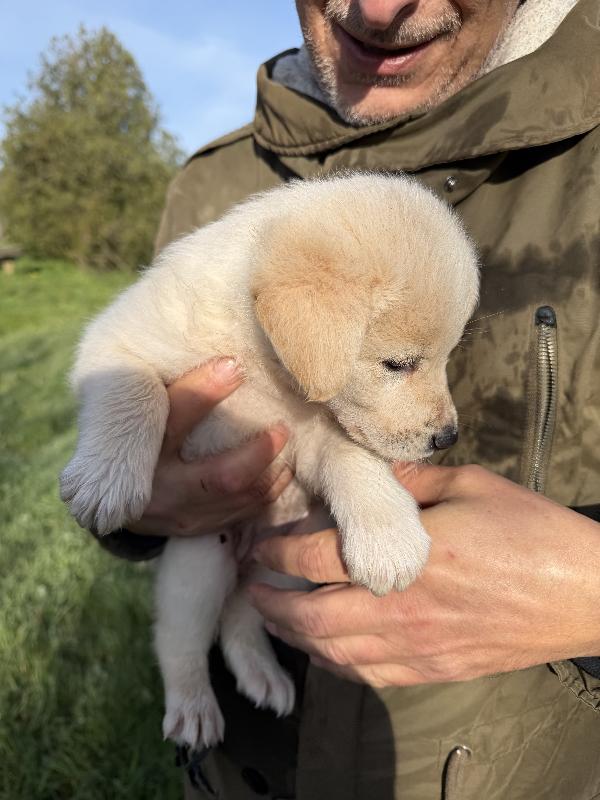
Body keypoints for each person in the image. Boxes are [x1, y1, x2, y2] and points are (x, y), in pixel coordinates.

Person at [95, 1, 600, 797]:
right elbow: (135, 379)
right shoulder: (211, 185)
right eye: (403, 361)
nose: (379, 4)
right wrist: (135, 509)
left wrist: (589, 593)